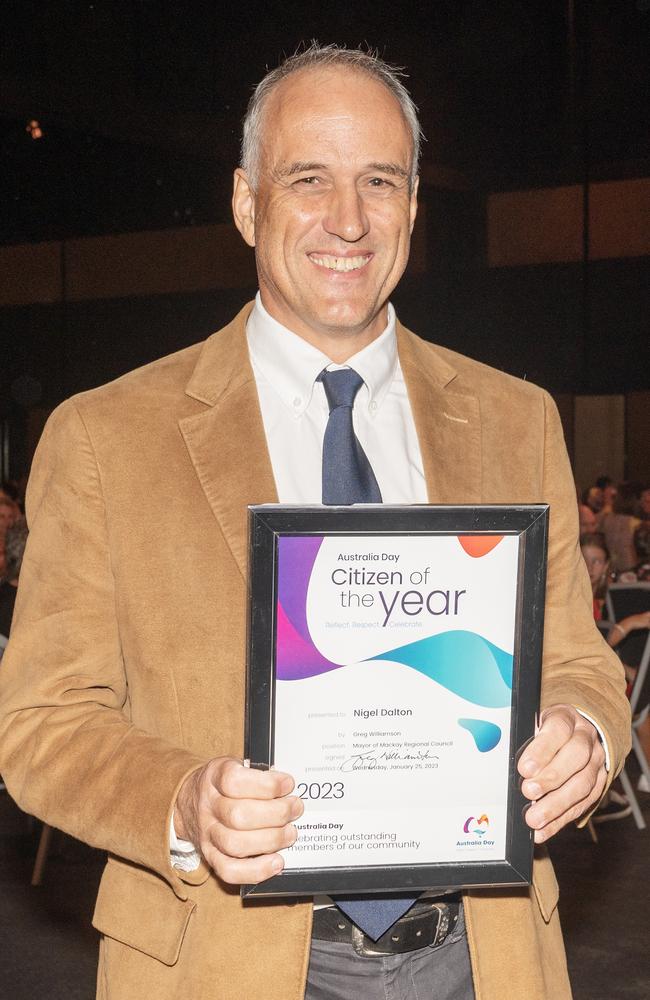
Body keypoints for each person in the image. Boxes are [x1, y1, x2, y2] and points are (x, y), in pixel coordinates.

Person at [0, 45, 631, 1000]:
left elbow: (580, 662)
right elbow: (42, 724)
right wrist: (181, 800)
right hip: (223, 960)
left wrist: (585, 731)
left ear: (415, 206)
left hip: (484, 957)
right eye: (310, 180)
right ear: (248, 201)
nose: (348, 219)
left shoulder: (517, 417)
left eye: (380, 180)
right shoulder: (107, 436)